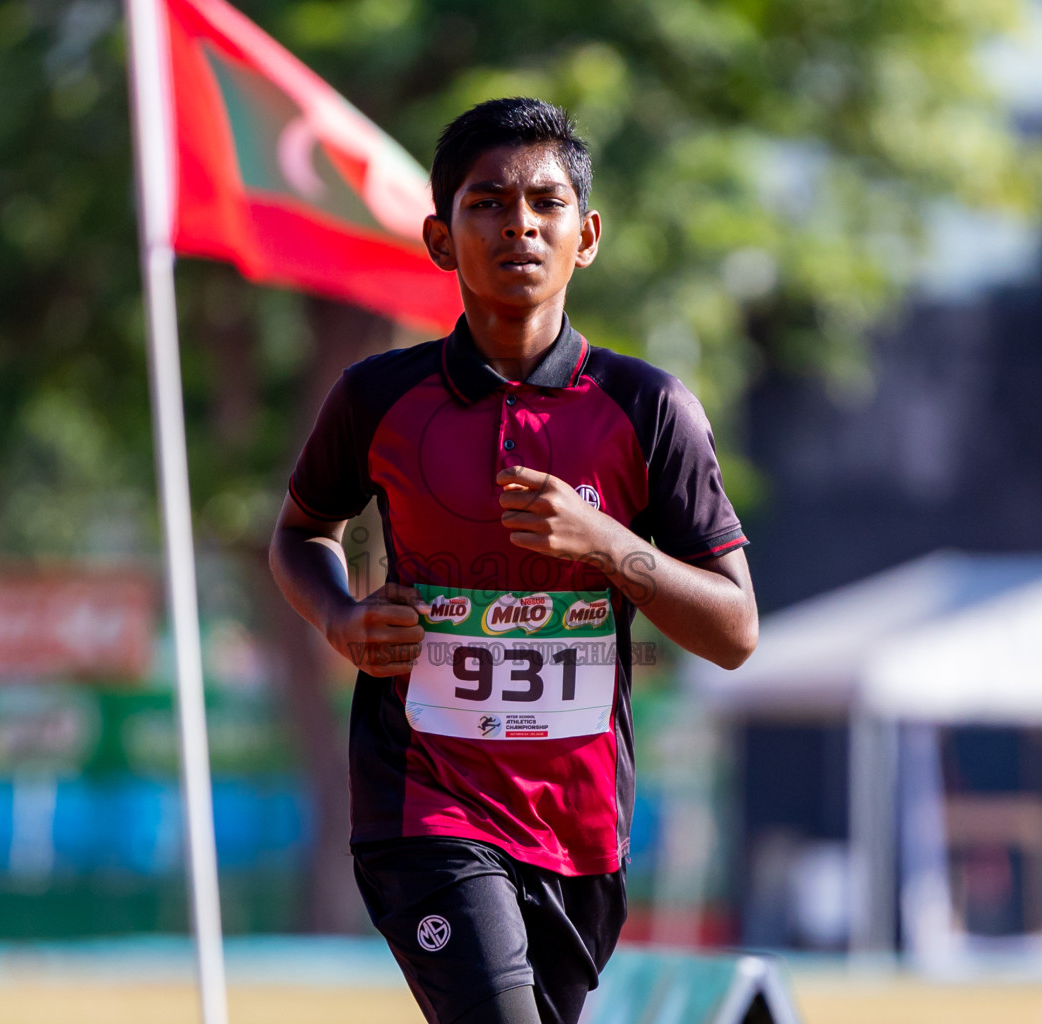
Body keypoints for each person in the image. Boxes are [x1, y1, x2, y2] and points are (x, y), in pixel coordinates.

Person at [269, 97, 759, 1024]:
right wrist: (340, 618)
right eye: (487, 203)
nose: (519, 223)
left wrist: (610, 544)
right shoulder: (376, 398)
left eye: (545, 202)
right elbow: (299, 536)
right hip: (424, 806)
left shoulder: (648, 408)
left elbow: (735, 630)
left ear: (588, 235)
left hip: (581, 829)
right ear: (440, 239)